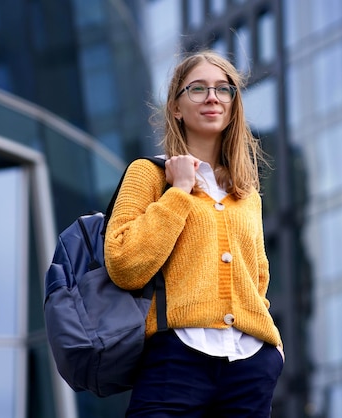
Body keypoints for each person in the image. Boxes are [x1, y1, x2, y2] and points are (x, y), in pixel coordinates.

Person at [104, 50, 284, 417]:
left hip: (250, 365)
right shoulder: (149, 175)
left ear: (234, 105)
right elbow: (124, 263)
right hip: (176, 358)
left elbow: (258, 278)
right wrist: (179, 192)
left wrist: (272, 347)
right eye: (198, 89)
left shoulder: (246, 194)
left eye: (224, 89)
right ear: (175, 107)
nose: (213, 97)